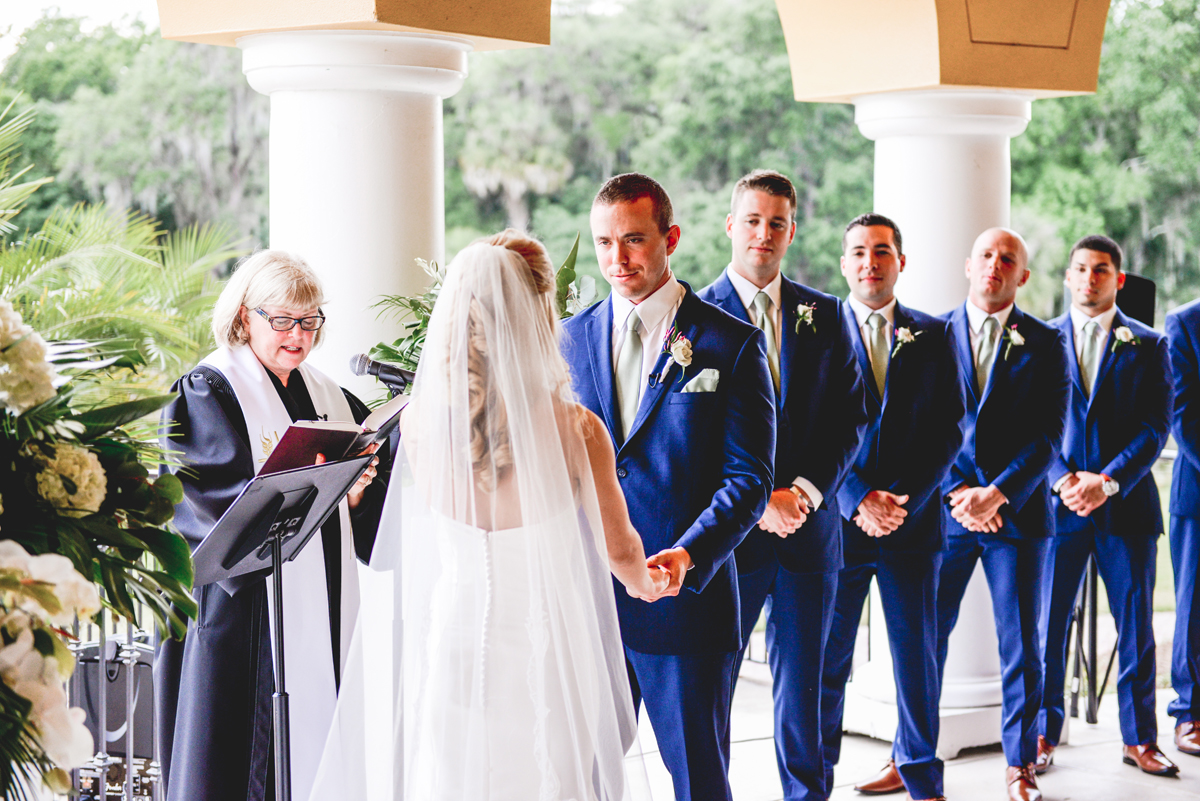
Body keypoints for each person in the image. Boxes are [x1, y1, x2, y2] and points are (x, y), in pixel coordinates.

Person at [308, 230, 670, 801]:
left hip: (452, 639)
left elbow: (395, 537)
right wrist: (653, 581)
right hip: (544, 651)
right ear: (540, 312)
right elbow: (621, 554)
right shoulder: (578, 430)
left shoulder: (418, 422)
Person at [562, 173, 776, 801]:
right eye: (603, 243)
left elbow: (749, 481)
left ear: (670, 238)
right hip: (589, 597)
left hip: (685, 600)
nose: (616, 260)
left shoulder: (730, 344)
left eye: (632, 240)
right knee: (583, 773)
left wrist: (688, 554)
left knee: (698, 782)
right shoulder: (569, 338)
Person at [154, 250, 389, 801]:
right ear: (243, 318)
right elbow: (213, 508)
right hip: (241, 617)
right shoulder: (209, 391)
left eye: (309, 322)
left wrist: (353, 492)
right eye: (281, 320)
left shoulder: (330, 396)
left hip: (321, 607)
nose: (298, 335)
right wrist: (304, 486)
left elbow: (362, 501)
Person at [697, 170, 867, 801]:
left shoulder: (825, 314)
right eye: (752, 220)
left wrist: (803, 491)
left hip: (808, 537)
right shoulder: (692, 316)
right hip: (727, 542)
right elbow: (685, 435)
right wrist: (755, 500)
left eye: (776, 222)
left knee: (806, 694)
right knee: (712, 689)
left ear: (791, 230)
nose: (763, 234)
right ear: (731, 225)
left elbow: (851, 415)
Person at [819, 213, 966, 801]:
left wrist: (900, 501)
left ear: (900, 262)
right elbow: (807, 429)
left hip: (912, 525)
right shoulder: (818, 331)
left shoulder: (934, 335)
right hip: (838, 528)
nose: (869, 263)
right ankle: (815, 777)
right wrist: (856, 497)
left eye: (881, 252)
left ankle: (921, 777)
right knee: (828, 661)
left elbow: (951, 428)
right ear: (844, 263)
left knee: (917, 659)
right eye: (858, 252)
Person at [936, 228, 1069, 801]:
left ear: (1023, 276)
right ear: (969, 265)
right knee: (923, 640)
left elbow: (1047, 437)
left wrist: (998, 493)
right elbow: (914, 428)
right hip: (945, 515)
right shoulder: (928, 334)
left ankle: (1020, 764)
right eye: (987, 255)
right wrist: (957, 494)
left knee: (1022, 646)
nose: (995, 265)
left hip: (1019, 520)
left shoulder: (1045, 342)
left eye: (1007, 259)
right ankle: (912, 754)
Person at [1038, 235, 1175, 777]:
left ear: (1118, 279)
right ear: (1068, 276)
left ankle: (1140, 739)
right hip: (1057, 506)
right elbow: (1027, 425)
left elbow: (1154, 427)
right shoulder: (1037, 340)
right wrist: (1063, 480)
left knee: (1136, 630)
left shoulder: (1150, 343)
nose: (1089, 278)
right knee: (1045, 628)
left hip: (1128, 508)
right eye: (1080, 269)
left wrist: (1109, 481)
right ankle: (1043, 734)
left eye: (1101, 270)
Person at [1167, 296, 1200, 757]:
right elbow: (1182, 413)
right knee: (1195, 606)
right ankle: (1190, 711)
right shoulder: (1185, 323)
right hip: (1198, 494)